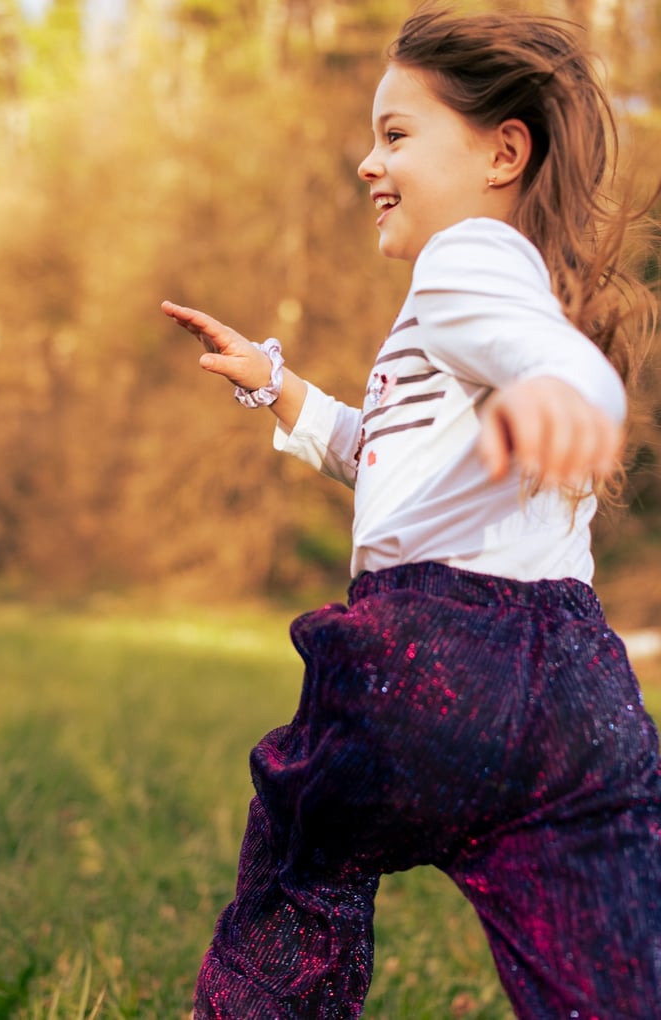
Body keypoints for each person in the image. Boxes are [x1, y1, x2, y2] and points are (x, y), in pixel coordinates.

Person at [162, 5, 661, 1018]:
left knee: (304, 863)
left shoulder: (464, 262)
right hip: (576, 699)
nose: (365, 163)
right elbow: (387, 457)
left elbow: (553, 364)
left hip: (429, 663)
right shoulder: (496, 302)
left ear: (501, 152)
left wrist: (569, 389)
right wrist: (278, 387)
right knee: (609, 958)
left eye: (396, 135)